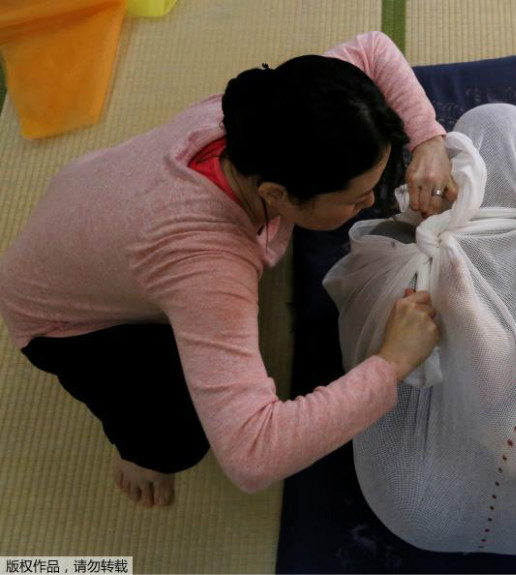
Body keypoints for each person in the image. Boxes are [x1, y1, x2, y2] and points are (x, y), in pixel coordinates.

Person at [0, 31, 458, 508]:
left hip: (91, 208)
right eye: (354, 198)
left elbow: (372, 49)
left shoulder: (265, 114)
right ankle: (138, 450)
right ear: (276, 195)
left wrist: (427, 140)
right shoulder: (206, 265)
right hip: (58, 319)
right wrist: (392, 363)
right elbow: (253, 454)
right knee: (176, 439)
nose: (371, 203)